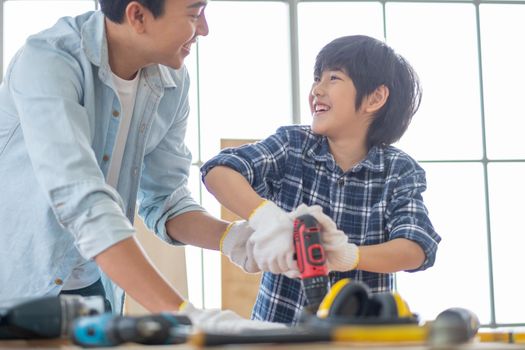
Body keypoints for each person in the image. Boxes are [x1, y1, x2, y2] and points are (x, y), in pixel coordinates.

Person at [0, 0, 285, 332]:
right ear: (137, 16)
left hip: (88, 290)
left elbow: (164, 199)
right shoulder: (48, 62)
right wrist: (186, 315)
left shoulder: (172, 83)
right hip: (15, 286)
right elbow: (83, 203)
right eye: (194, 15)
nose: (204, 29)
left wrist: (236, 239)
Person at [201, 35, 442, 324]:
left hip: (360, 340)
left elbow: (417, 248)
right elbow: (218, 171)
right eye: (316, 79)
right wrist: (268, 218)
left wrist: (348, 255)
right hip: (278, 335)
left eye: (333, 78)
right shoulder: (293, 145)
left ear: (375, 98)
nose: (317, 89)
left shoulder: (399, 170)